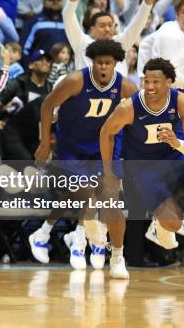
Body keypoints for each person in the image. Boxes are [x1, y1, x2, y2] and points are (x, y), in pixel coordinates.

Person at [100, 58, 184, 291]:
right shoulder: (129, 107)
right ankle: (159, 226)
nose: (150, 86)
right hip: (144, 169)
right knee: (172, 223)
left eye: (156, 81)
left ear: (169, 82)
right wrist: (108, 170)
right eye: (146, 81)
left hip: (178, 161)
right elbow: (106, 133)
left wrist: (177, 143)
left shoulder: (183, 102)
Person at [30, 40, 137, 271]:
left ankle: (108, 252)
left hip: (104, 147)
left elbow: (139, 119)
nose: (103, 67)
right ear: (92, 62)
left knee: (109, 197)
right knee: (85, 193)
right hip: (71, 147)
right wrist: (44, 145)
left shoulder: (126, 87)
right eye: (99, 62)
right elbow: (47, 106)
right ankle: (79, 241)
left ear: (116, 64)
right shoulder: (75, 81)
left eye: (108, 63)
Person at [63, 0, 159, 75]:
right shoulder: (81, 42)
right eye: (102, 26)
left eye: (110, 25)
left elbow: (141, 17)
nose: (108, 29)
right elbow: (67, 15)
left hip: (119, 91)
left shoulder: (120, 43)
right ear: (92, 29)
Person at [138, 0, 184, 89]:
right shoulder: (171, 34)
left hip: (158, 86)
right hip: (158, 89)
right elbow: (169, 75)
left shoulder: (177, 31)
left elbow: (145, 44)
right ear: (176, 14)